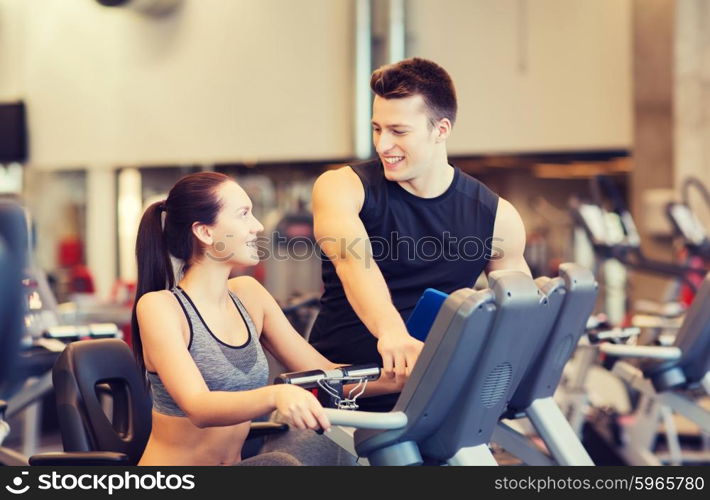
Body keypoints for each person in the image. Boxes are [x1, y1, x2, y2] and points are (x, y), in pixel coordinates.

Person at [131, 172, 401, 466]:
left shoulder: (249, 295)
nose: (257, 227)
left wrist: (404, 377)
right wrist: (277, 395)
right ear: (205, 232)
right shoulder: (161, 308)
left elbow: (324, 374)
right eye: (244, 214)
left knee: (326, 440)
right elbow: (199, 406)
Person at [309, 57, 531, 412]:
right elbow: (353, 263)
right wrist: (391, 332)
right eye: (377, 129)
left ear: (440, 130)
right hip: (344, 392)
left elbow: (519, 315)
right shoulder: (342, 187)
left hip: (435, 396)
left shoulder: (497, 217)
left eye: (399, 131)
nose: (382, 145)